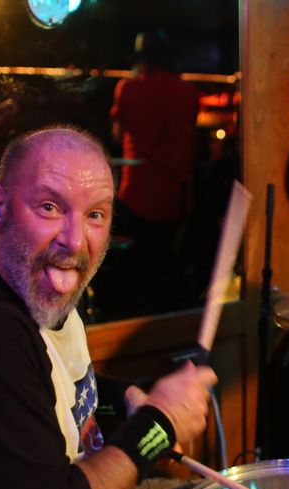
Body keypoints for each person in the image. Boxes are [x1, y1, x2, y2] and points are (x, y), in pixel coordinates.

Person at [0, 126, 217, 489]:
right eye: (50, 207)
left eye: (95, 214)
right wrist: (159, 425)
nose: (75, 241)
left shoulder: (35, 288)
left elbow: (54, 386)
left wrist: (126, 397)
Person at [110, 30, 201, 311]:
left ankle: (145, 317)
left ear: (142, 60)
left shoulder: (128, 88)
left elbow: (117, 135)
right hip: (177, 195)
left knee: (143, 268)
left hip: (138, 192)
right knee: (168, 265)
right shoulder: (189, 92)